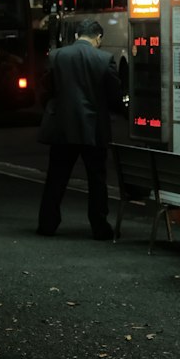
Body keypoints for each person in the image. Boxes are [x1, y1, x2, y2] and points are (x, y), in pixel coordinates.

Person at [36, 18, 124, 239]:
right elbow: (114, 96)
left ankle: (47, 223)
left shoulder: (57, 56)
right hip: (92, 128)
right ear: (98, 38)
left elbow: (45, 89)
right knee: (96, 179)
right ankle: (99, 225)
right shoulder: (104, 60)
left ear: (76, 36)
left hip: (62, 127)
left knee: (56, 177)